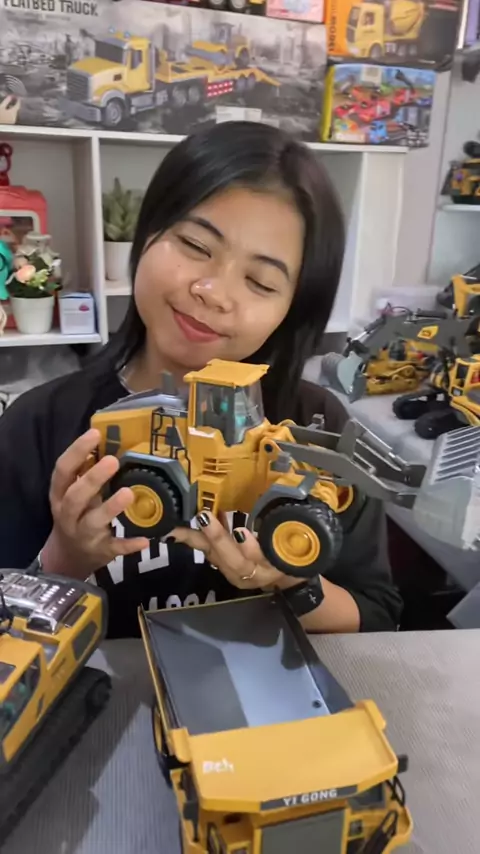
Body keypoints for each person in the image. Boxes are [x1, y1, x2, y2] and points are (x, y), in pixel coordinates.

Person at [0, 121, 402, 638]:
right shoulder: (38, 424)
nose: (213, 292)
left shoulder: (315, 423)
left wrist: (294, 583)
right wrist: (65, 557)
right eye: (195, 244)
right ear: (148, 234)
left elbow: (376, 614)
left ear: (292, 308)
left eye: (260, 281)